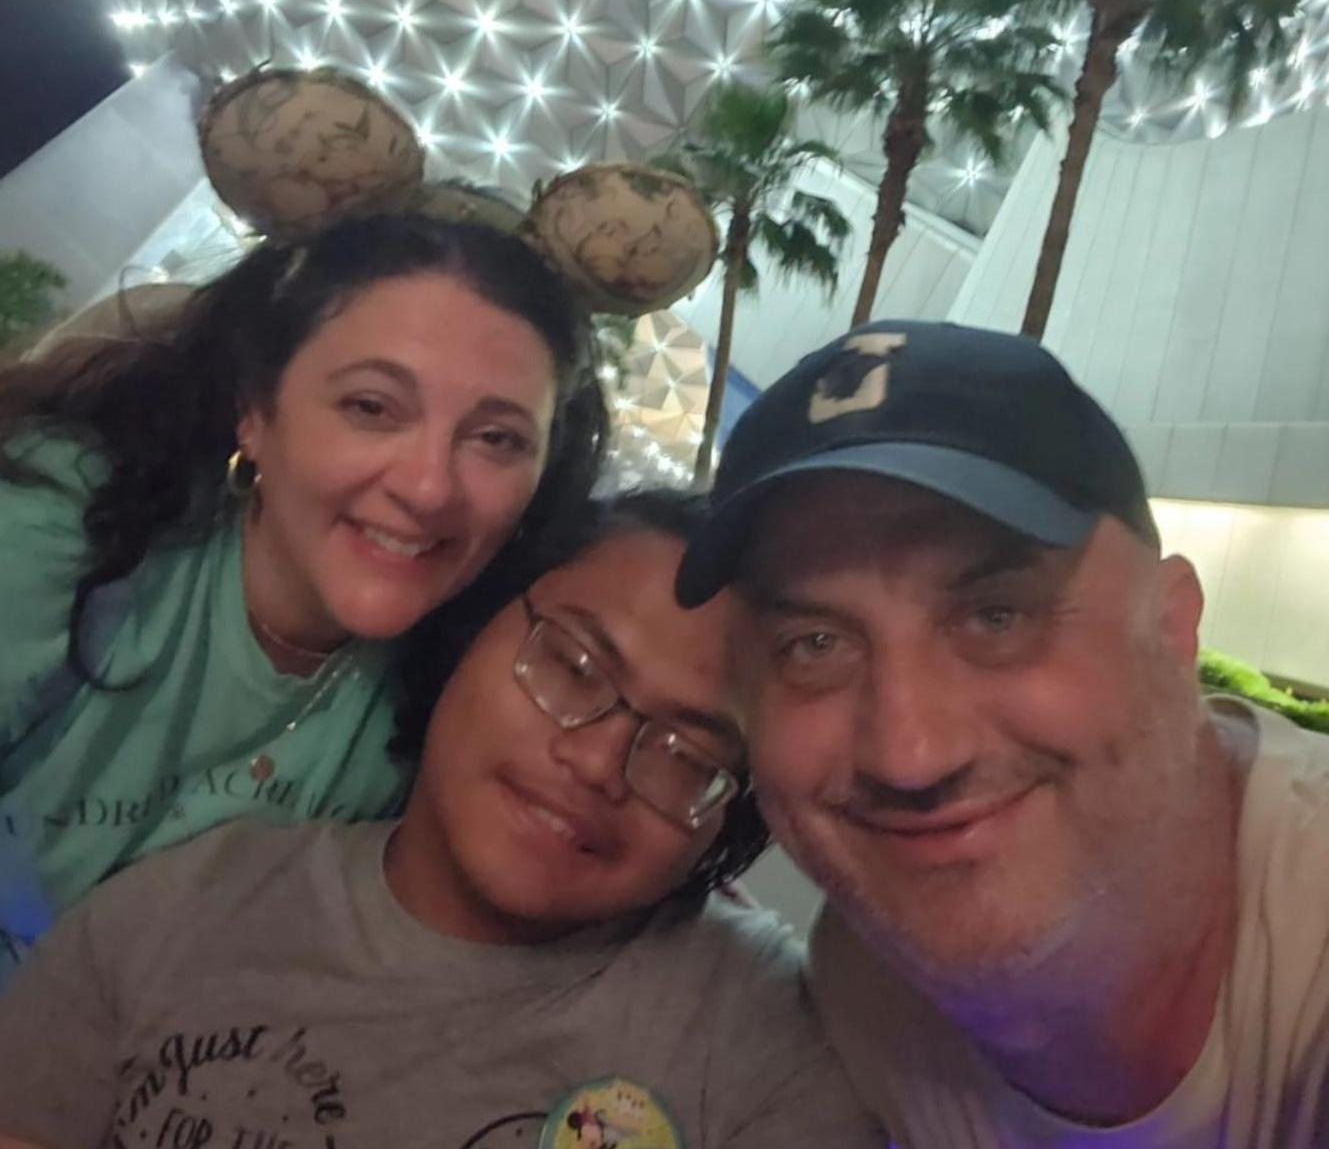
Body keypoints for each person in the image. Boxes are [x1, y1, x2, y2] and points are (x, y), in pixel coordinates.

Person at [0, 491, 879, 1149]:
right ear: (472, 629)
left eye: (687, 755)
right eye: (572, 666)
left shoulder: (765, 1047)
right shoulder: (180, 911)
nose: (597, 761)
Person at [674, 320, 1329, 1147]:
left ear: (1172, 628)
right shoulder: (866, 982)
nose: (908, 755)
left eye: (995, 615)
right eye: (815, 644)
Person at [0, 213, 607, 981]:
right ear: (257, 412)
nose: (428, 488)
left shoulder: (451, 698)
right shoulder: (63, 527)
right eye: (371, 406)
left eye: (497, 439)